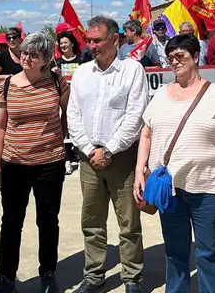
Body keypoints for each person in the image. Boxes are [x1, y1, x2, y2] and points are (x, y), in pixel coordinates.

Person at [133, 34, 215, 292]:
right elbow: (146, 134)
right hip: (170, 190)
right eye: (170, 57)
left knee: (209, 253)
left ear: (195, 57)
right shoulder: (160, 96)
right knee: (175, 252)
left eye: (180, 56)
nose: (175, 62)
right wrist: (139, 171)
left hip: (210, 189)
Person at [67, 15, 149, 293]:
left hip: (122, 158)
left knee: (128, 223)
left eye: (97, 40)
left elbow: (135, 116)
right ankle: (94, 276)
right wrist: (91, 150)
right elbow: (73, 115)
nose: (91, 46)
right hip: (89, 158)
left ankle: (132, 277)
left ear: (115, 39)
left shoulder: (133, 70)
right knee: (91, 221)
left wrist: (110, 149)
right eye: (89, 41)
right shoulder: (82, 73)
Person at [0, 32, 70, 293]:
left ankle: (48, 273)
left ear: (46, 60)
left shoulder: (57, 82)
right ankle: (7, 278)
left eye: (33, 55)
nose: (26, 58)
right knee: (11, 222)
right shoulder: (7, 85)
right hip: (14, 164)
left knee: (48, 221)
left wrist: (60, 137)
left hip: (50, 163)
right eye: (25, 52)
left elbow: (67, 111)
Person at [55, 31, 83, 175]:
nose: (63, 45)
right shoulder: (56, 63)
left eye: (65, 42)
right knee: (64, 129)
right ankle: (66, 159)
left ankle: (79, 156)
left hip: (79, 102)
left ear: (72, 43)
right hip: (63, 103)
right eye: (61, 43)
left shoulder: (82, 61)